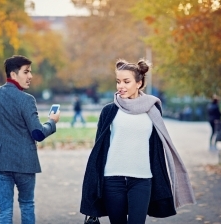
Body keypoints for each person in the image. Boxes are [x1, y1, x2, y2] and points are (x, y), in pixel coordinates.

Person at [80, 59, 195, 224]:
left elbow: (156, 149)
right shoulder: (110, 111)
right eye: (118, 82)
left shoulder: (152, 110)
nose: (121, 86)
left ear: (139, 83)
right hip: (112, 179)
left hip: (142, 180)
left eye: (126, 81)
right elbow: (99, 150)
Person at [0, 55, 60, 224]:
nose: (31, 76)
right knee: (27, 204)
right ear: (13, 75)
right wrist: (52, 121)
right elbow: (38, 134)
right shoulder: (26, 100)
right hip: (24, 162)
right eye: (26, 72)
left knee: (4, 210)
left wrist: (0, 131)